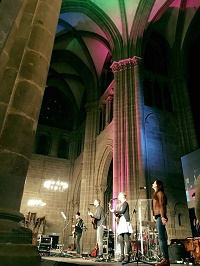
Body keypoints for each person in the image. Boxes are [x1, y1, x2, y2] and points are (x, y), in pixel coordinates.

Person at [109, 192, 132, 264]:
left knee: (126, 239)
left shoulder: (125, 203)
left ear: (123, 196)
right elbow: (119, 214)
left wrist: (114, 210)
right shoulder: (121, 204)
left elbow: (122, 211)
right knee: (121, 239)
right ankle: (122, 256)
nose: (118, 196)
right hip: (122, 222)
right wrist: (112, 210)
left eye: (119, 195)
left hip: (125, 222)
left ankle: (127, 256)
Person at [152, 180, 170, 266]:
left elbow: (162, 205)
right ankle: (165, 259)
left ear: (157, 185)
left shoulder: (160, 194)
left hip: (160, 216)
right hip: (158, 216)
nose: (152, 184)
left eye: (154, 183)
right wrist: (154, 215)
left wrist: (162, 217)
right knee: (161, 237)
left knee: (161, 238)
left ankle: (165, 259)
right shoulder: (156, 194)